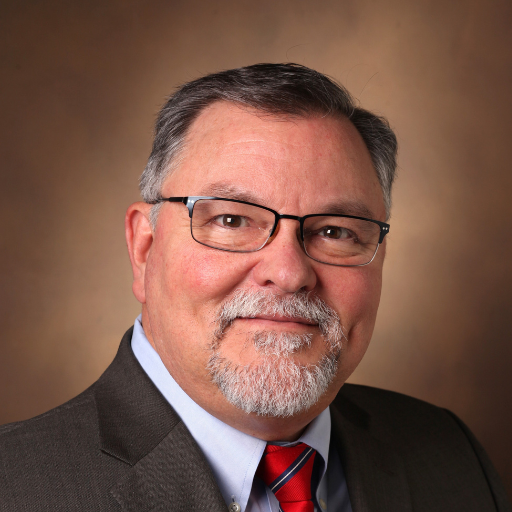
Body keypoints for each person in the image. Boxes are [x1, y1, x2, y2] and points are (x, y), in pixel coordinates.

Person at [0, 63, 510, 512]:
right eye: (231, 220)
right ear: (144, 247)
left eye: (335, 232)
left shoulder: (452, 457)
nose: (288, 273)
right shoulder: (17, 489)